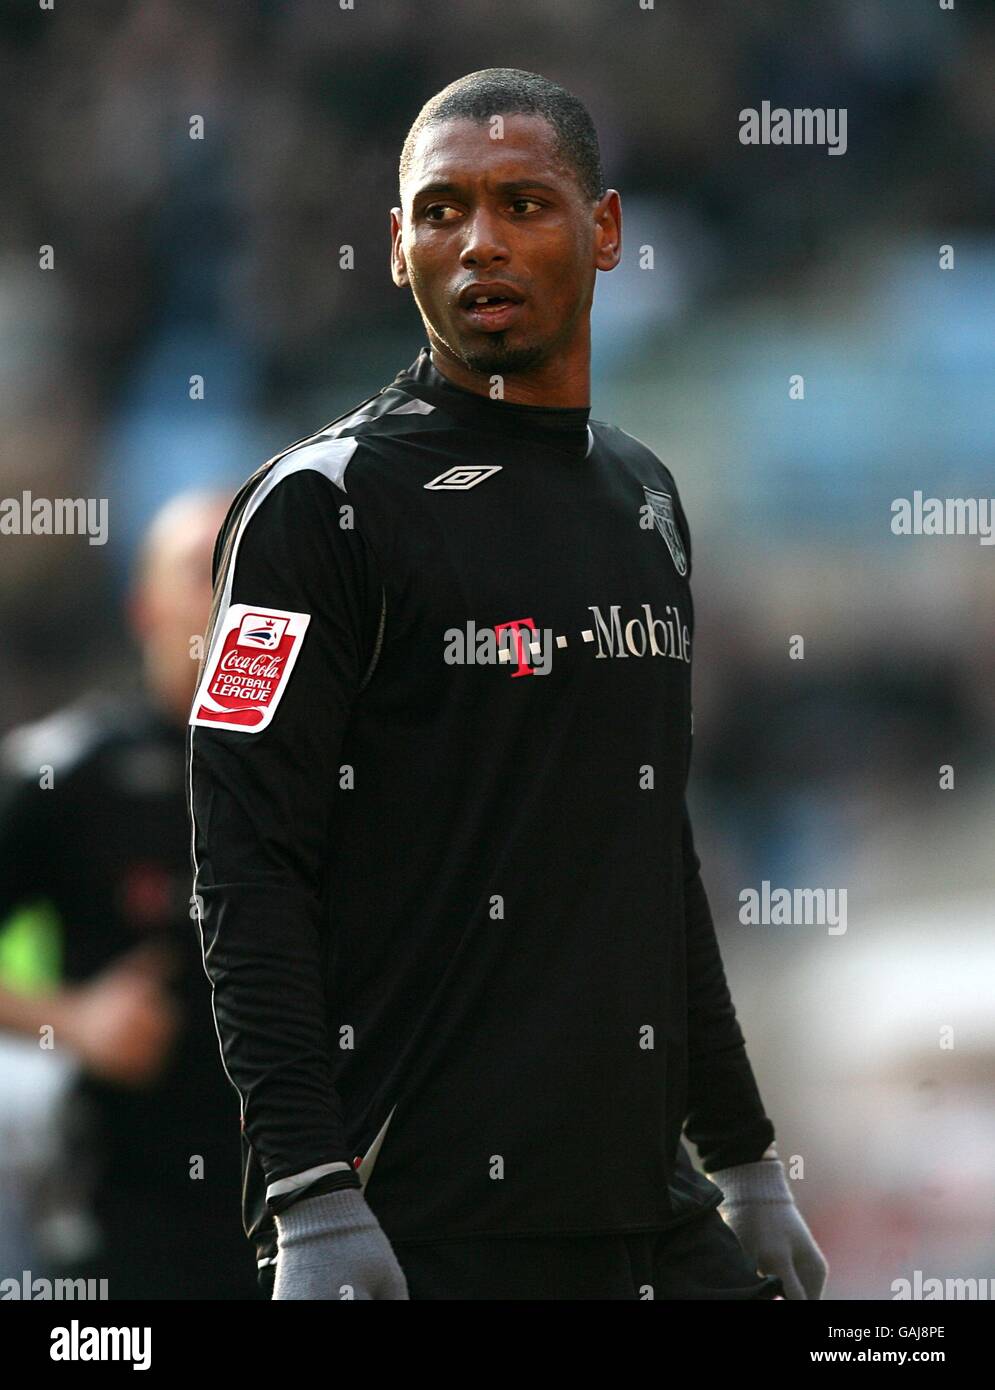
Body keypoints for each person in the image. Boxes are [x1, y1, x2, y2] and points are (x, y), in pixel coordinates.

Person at [187, 68, 828, 1301]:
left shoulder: (645, 499)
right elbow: (244, 868)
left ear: (603, 231)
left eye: (523, 203)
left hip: (649, 1211)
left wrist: (742, 1153)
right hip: (424, 1223)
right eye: (440, 210)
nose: (476, 241)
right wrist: (309, 1195)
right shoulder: (320, 509)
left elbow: (651, 848)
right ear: (393, 247)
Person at [0, 491, 260, 1299]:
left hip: (303, 1212)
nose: (224, 590)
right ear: (143, 606)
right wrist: (71, 1020)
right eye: (198, 568)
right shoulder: (68, 772)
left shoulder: (331, 774)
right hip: (126, 1209)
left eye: (243, 567)